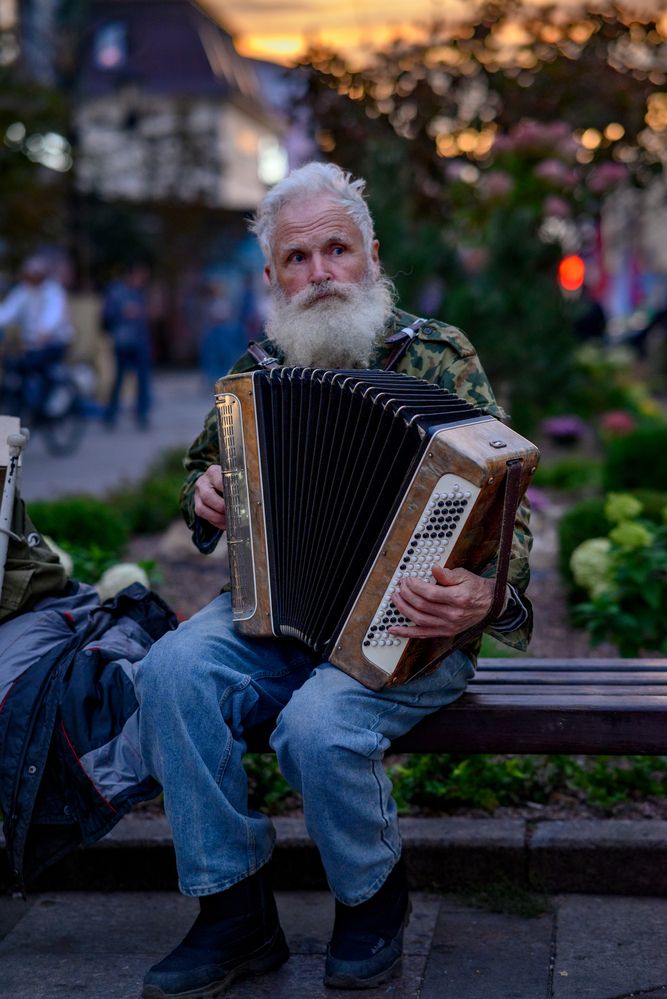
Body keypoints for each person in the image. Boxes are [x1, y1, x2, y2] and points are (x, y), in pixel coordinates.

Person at [136, 162, 533, 998]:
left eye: (336, 251)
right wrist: (206, 495)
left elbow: (509, 506)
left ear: (370, 253)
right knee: (171, 670)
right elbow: (203, 485)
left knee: (316, 727)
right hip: (277, 611)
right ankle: (233, 911)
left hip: (414, 621)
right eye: (297, 258)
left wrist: (485, 592)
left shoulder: (436, 354)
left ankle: (371, 899)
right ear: (273, 275)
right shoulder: (252, 373)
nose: (319, 274)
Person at [0, 255, 74, 413]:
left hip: (54, 342)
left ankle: (45, 403)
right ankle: (22, 409)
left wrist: (44, 330)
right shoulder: (23, 291)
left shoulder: (53, 291)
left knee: (37, 367)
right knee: (15, 367)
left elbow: (53, 314)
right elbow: (7, 312)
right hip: (31, 344)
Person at [102, 262, 152, 429]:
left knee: (143, 381)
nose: (141, 280)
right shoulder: (116, 292)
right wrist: (123, 312)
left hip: (140, 342)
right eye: (139, 276)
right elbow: (106, 317)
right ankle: (110, 415)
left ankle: (142, 415)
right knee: (119, 380)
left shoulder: (140, 293)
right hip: (123, 342)